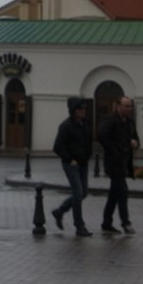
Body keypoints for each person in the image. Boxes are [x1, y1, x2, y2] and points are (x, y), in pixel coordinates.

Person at [49, 97, 94, 237]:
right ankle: (79, 226)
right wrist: (69, 159)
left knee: (83, 193)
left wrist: (87, 155)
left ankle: (60, 211)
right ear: (74, 111)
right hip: (71, 164)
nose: (83, 111)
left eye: (84, 108)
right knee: (78, 193)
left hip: (83, 163)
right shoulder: (66, 126)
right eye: (80, 109)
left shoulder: (86, 124)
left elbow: (88, 141)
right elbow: (57, 147)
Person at [96, 96, 137, 235]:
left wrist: (135, 142)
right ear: (118, 106)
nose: (129, 109)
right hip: (114, 163)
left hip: (124, 162)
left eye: (130, 106)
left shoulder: (130, 122)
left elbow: (135, 138)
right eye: (126, 106)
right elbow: (101, 135)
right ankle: (126, 223)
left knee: (114, 195)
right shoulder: (110, 120)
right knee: (123, 192)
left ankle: (106, 223)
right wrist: (113, 150)